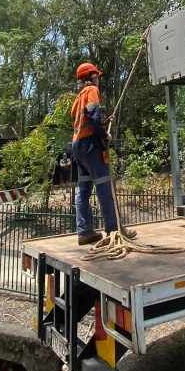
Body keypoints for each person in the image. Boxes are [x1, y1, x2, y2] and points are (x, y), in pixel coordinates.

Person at [70, 62, 118, 245]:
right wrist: (104, 135)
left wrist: (103, 122)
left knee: (83, 189)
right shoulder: (91, 90)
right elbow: (92, 115)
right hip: (90, 145)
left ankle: (84, 232)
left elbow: (80, 119)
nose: (98, 79)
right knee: (103, 184)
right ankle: (113, 229)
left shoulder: (77, 98)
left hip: (77, 145)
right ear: (91, 77)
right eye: (97, 76)